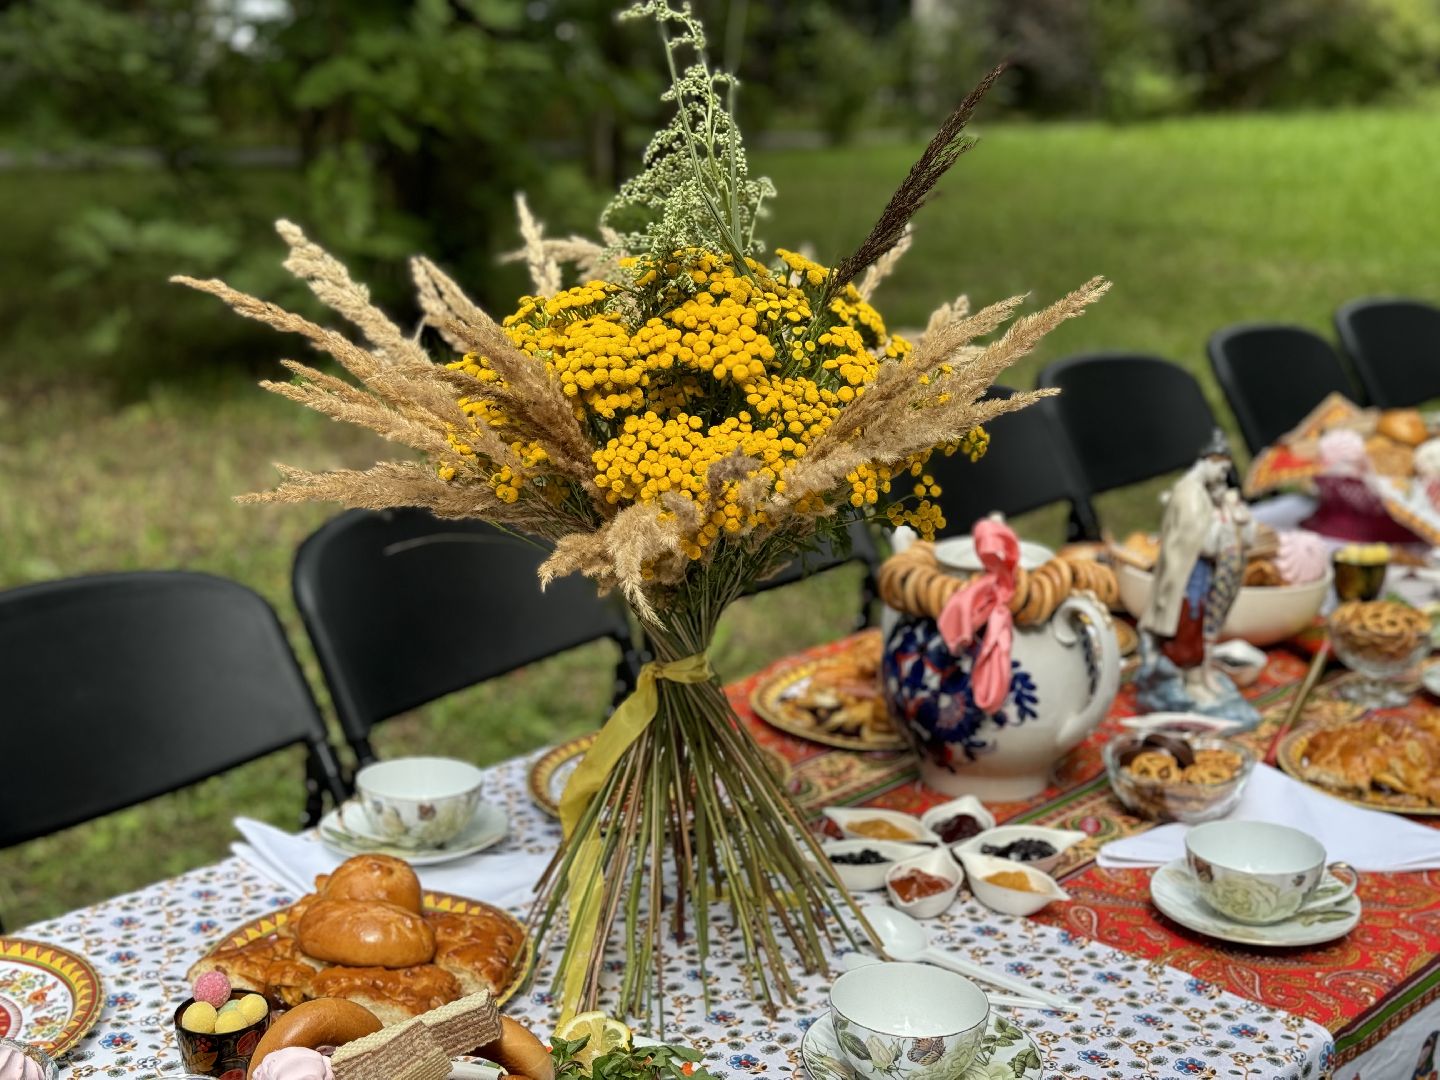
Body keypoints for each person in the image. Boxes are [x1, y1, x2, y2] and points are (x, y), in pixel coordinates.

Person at [1141, 430, 1253, 697]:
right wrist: (1224, 529)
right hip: (1186, 578)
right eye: (1222, 470)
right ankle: (1184, 681)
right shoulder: (1190, 494)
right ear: (1211, 461)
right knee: (1187, 627)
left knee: (1196, 625)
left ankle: (1191, 678)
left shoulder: (1200, 492)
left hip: (1196, 575)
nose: (1223, 477)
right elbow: (1201, 542)